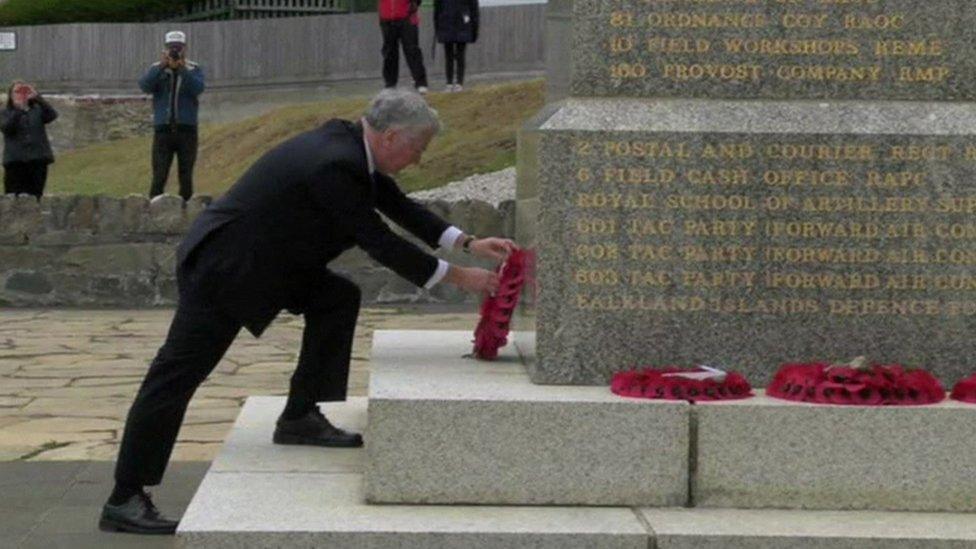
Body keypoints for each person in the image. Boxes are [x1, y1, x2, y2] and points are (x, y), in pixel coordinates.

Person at [99, 89, 516, 535]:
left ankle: (300, 416)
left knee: (335, 298)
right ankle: (125, 497)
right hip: (228, 268)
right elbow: (379, 241)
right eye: (419, 148)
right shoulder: (336, 163)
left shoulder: (351, 146)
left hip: (271, 263)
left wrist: (467, 243)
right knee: (175, 376)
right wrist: (461, 277)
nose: (419, 160)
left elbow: (396, 204)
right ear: (393, 137)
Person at [139, 30, 205, 201]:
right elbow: (145, 86)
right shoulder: (156, 68)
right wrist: (163, 66)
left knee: (186, 174)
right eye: (171, 47)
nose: (175, 51)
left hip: (187, 129)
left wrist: (182, 68)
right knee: (159, 173)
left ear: (185, 48)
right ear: (165, 49)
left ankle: (186, 207)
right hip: (163, 129)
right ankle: (154, 206)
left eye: (178, 47)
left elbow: (197, 88)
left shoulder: (193, 68)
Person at [1, 81, 57, 198]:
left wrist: (37, 97)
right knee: (13, 197)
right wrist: (18, 110)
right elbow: (7, 128)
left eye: (24, 91)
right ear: (10, 95)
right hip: (15, 162)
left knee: (35, 196)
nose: (21, 95)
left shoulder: (37, 110)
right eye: (17, 92)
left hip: (37, 161)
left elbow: (52, 115)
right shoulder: (5, 113)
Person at [379, 0, 429, 94]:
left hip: (407, 16)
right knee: (389, 52)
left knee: (412, 50)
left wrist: (414, 4)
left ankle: (420, 82)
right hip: (387, 17)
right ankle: (390, 83)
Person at [434, 0, 479, 92]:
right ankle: (451, 83)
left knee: (458, 54)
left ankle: (457, 83)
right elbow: (437, 9)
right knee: (451, 55)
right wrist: (438, 28)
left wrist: (474, 30)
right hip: (449, 23)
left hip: (460, 23)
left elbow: (474, 9)